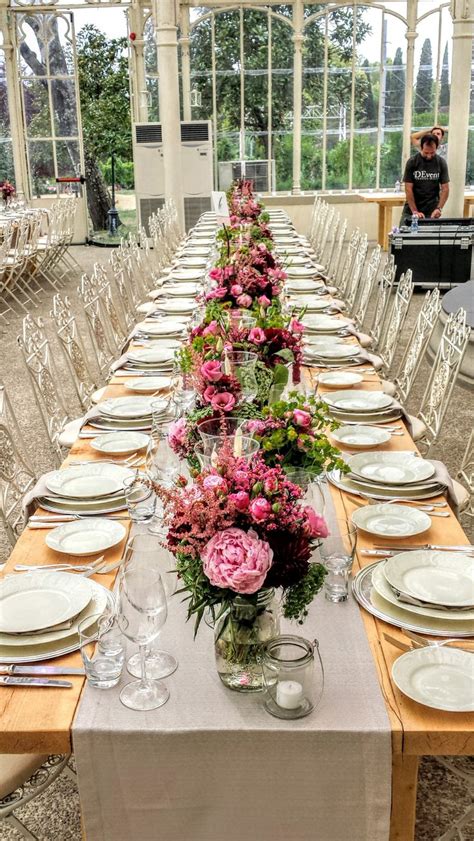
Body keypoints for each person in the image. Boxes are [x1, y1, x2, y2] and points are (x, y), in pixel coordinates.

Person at [400, 133, 449, 227]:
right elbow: (408, 188)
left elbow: (445, 189)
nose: (429, 156)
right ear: (421, 148)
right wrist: (414, 211)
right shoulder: (412, 162)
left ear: (436, 148)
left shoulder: (441, 163)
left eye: (432, 153)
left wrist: (439, 208)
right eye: (426, 153)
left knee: (429, 239)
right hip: (411, 209)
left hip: (431, 211)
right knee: (404, 237)